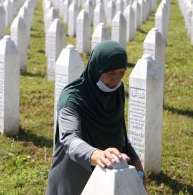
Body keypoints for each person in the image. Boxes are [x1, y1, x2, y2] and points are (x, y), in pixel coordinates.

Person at [46, 41, 145, 195]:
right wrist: (95, 154)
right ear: (97, 69)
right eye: (111, 73)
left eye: (121, 72)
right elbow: (69, 139)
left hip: (108, 173)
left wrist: (135, 161)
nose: (116, 79)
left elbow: (119, 130)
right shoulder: (72, 98)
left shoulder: (116, 91)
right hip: (74, 175)